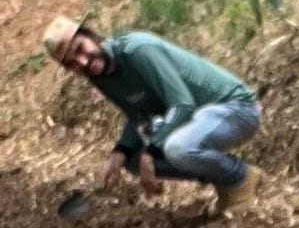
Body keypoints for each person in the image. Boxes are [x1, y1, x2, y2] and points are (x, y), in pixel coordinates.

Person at [44, 14, 261, 213]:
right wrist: (120, 151)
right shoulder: (100, 77)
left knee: (176, 148)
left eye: (81, 49)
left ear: (91, 36)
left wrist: (152, 153)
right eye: (72, 63)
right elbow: (138, 115)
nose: (83, 62)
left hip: (235, 110)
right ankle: (222, 178)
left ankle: (239, 177)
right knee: (131, 160)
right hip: (198, 120)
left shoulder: (137, 50)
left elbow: (183, 104)